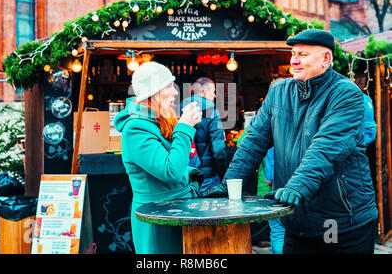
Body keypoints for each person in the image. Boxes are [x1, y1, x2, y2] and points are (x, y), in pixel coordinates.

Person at [202, 29, 378, 254]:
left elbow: (327, 148)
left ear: (326, 58)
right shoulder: (278, 91)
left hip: (340, 220)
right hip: (296, 218)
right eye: (292, 53)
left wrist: (295, 187)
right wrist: (229, 184)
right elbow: (253, 143)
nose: (294, 60)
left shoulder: (346, 94)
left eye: (302, 54)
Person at [114, 61, 203, 254]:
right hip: (156, 219)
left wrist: (191, 175)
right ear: (152, 92)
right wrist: (185, 127)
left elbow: (172, 166)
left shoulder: (158, 120)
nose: (175, 92)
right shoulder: (135, 129)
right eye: (169, 86)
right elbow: (170, 171)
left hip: (176, 211)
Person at [180, 77, 227, 191]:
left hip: (184, 175)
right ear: (205, 92)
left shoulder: (178, 109)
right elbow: (219, 150)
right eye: (213, 91)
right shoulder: (211, 111)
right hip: (208, 177)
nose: (215, 96)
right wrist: (223, 174)